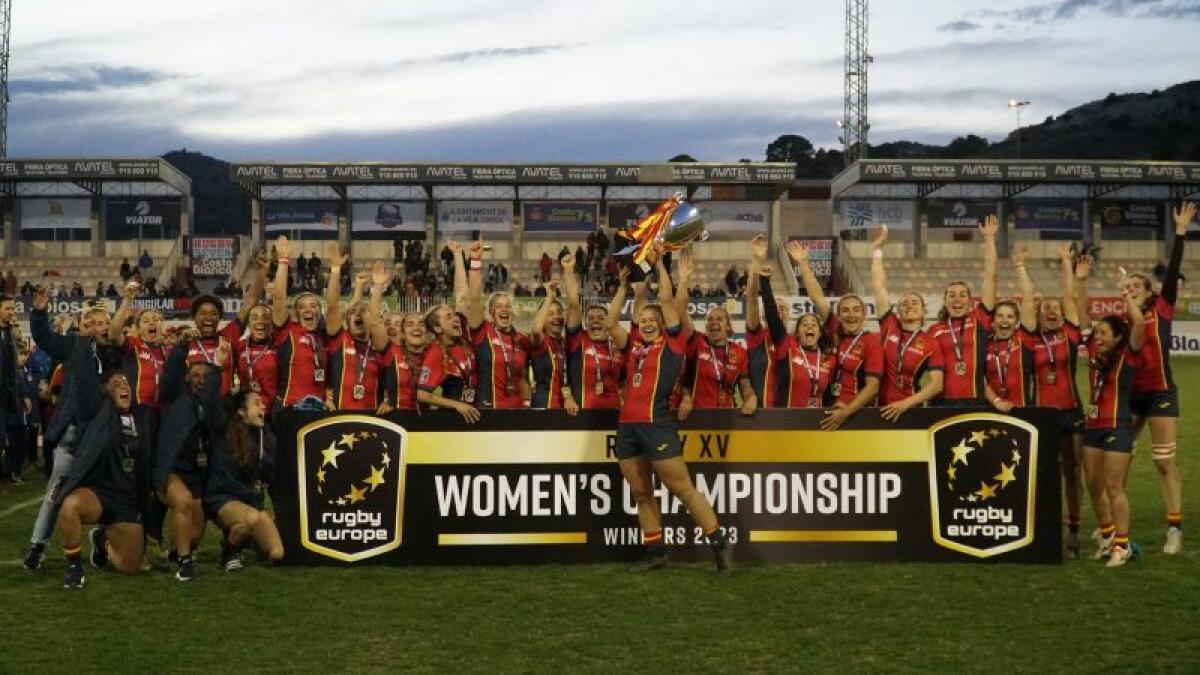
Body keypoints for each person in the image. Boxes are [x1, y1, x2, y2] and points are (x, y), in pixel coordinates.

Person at [606, 247, 734, 574]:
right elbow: (610, 324)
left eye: (653, 320)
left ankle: (719, 543)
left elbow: (665, 301)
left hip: (657, 425)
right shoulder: (634, 343)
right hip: (628, 427)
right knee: (640, 492)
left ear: (663, 324)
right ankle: (657, 552)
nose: (648, 323)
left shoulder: (674, 342)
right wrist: (622, 288)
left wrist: (662, 264)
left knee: (682, 489)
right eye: (643, 320)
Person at [24, 293, 124, 571]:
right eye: (92, 321)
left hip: (105, 437)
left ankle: (103, 540)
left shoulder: (116, 352)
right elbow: (44, 337)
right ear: (81, 326)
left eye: (104, 321)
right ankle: (37, 545)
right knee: (56, 492)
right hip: (73, 437)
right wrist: (39, 312)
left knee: (111, 491)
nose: (99, 326)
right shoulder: (74, 346)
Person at [1124, 201, 1194, 554]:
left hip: (1161, 393)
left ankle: (1174, 528)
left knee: (1164, 461)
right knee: (1120, 457)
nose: (1133, 287)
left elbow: (1173, 270)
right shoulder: (1123, 322)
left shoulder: (1161, 308)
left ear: (1150, 291)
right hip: (1131, 396)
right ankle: (1114, 526)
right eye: (1129, 284)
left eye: (1139, 284)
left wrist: (1180, 232)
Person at [1015, 244, 1086, 557]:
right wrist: (1020, 267)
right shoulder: (1029, 339)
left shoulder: (1070, 334)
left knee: (1072, 473)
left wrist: (1066, 264)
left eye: (1056, 308)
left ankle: (1074, 531)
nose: (1053, 311)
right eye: (1047, 309)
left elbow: (1070, 298)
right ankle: (1045, 529)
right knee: (1045, 473)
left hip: (1072, 412)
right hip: (1041, 416)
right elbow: (1029, 301)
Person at [54, 371, 155, 588]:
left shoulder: (143, 416)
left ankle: (101, 541)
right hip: (100, 492)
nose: (123, 386)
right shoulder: (98, 414)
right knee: (70, 506)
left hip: (128, 498)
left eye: (126, 382)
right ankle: (73, 568)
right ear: (106, 391)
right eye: (116, 384)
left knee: (130, 567)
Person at [1076, 255, 1145, 568]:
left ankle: (1122, 544)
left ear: (1117, 337)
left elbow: (1140, 323)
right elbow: (1081, 311)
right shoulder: (1093, 350)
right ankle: (1106, 537)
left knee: (1114, 486)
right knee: (1092, 484)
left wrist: (1125, 294)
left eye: (1104, 333)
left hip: (1117, 426)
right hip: (1093, 427)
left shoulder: (1127, 355)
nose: (1098, 337)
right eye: (1097, 333)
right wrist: (1081, 281)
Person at [787, 241, 882, 430]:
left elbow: (872, 387)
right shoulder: (835, 328)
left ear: (864, 314)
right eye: (845, 310)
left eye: (856, 310)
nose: (851, 314)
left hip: (856, 414)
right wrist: (803, 263)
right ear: (839, 315)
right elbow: (817, 297)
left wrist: (845, 413)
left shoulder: (871, 342)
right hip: (828, 409)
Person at [156, 338, 229, 580]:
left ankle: (179, 550)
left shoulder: (212, 407)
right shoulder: (173, 397)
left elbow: (215, 419)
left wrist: (217, 367)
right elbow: (169, 376)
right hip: (170, 468)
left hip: (197, 473)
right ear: (186, 378)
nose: (200, 380)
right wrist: (181, 349)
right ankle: (185, 564)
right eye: (195, 375)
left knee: (194, 534)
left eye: (205, 377)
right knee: (183, 502)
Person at [203, 378, 283, 572]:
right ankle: (230, 551)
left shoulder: (265, 436)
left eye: (262, 403)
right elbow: (210, 403)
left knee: (276, 553)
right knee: (251, 520)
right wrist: (216, 368)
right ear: (241, 411)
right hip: (223, 499)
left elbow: (272, 472)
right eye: (256, 403)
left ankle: (243, 541)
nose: (262, 407)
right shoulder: (223, 430)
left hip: (252, 503)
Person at [869, 226, 945, 420]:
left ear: (924, 311)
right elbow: (879, 286)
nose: (909, 306)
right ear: (898, 310)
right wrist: (877, 250)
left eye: (914, 303)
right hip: (879, 407)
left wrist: (905, 404)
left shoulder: (931, 342)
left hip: (911, 410)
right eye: (904, 303)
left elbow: (937, 385)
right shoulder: (889, 326)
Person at [926, 215, 999, 406]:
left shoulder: (979, 320)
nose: (957, 298)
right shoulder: (934, 330)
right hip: (941, 402)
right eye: (951, 295)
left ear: (969, 301)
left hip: (975, 399)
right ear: (945, 300)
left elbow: (991, 275)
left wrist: (989, 238)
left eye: (962, 295)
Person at [418, 243, 481, 424]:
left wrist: (458, 255)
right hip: (456, 419)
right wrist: (456, 405)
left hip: (477, 412)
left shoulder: (464, 336)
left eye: (453, 314)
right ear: (438, 328)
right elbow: (422, 394)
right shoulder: (436, 354)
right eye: (448, 317)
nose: (455, 319)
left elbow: (462, 294)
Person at [271, 237, 332, 411]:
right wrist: (283, 261)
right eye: (302, 307)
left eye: (313, 306)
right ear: (296, 314)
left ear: (319, 312)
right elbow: (279, 298)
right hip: (290, 406)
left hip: (319, 410)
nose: (308, 310)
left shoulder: (324, 337)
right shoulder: (287, 331)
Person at [466, 241, 530, 409]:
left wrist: (527, 404)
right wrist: (475, 262)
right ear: (491, 313)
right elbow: (474, 298)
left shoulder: (521, 339)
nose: (504, 309)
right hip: (488, 409)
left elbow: (523, 376)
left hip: (516, 410)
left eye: (508, 306)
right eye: (499, 306)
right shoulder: (483, 332)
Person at [325, 264, 389, 411]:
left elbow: (389, 384)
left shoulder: (378, 346)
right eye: (354, 312)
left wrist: (386, 401)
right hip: (339, 415)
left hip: (371, 417)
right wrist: (357, 284)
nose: (358, 314)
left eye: (364, 312)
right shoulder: (340, 340)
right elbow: (334, 306)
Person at [528, 278, 578, 413]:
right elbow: (536, 329)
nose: (556, 317)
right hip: (543, 407)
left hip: (569, 407)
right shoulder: (540, 342)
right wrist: (550, 296)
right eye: (550, 314)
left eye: (559, 313)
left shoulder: (566, 343)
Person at [380, 312, 428, 412]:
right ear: (402, 333)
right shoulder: (392, 352)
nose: (416, 328)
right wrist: (384, 401)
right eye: (410, 325)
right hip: (396, 418)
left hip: (427, 421)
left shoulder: (435, 355)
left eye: (421, 324)